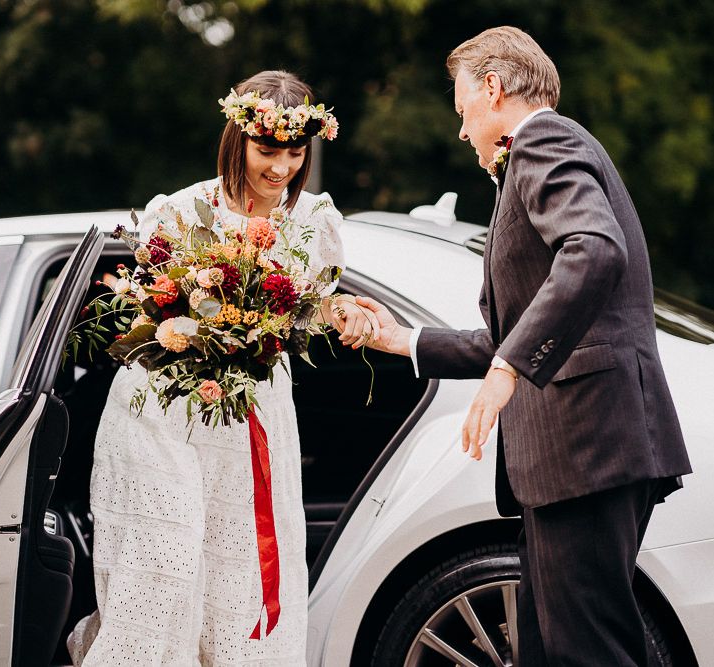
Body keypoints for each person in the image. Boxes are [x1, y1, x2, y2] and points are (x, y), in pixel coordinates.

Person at [355, 27, 692, 665]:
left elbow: (593, 249)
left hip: (586, 449)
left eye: (463, 113)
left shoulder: (545, 139)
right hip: (579, 457)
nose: (462, 133)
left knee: (582, 652)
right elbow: (516, 331)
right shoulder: (545, 154)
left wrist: (509, 368)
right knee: (547, 649)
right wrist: (399, 339)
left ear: (493, 87)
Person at [67, 70, 375, 666]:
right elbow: (148, 308)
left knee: (237, 577)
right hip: (163, 413)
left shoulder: (314, 222)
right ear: (237, 139)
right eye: (267, 150)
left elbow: (318, 308)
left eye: (294, 152)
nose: (281, 168)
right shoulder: (179, 212)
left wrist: (350, 311)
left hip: (252, 416)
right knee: (166, 562)